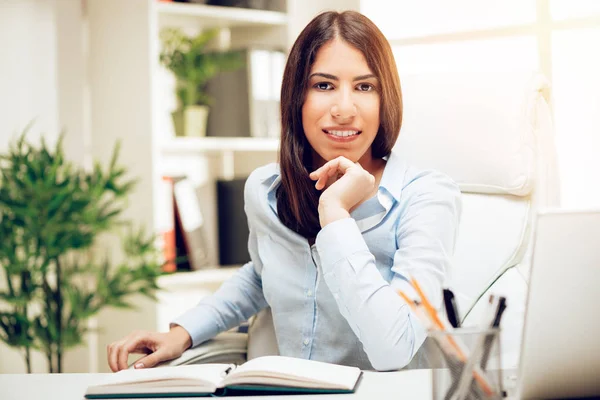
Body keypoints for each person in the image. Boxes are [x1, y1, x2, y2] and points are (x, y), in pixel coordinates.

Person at [107, 10, 461, 372]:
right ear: (297, 96)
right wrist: (182, 332)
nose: (344, 109)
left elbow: (395, 348)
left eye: (364, 86)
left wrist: (336, 216)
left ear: (386, 98)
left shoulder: (426, 197)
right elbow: (262, 274)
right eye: (323, 85)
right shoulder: (266, 190)